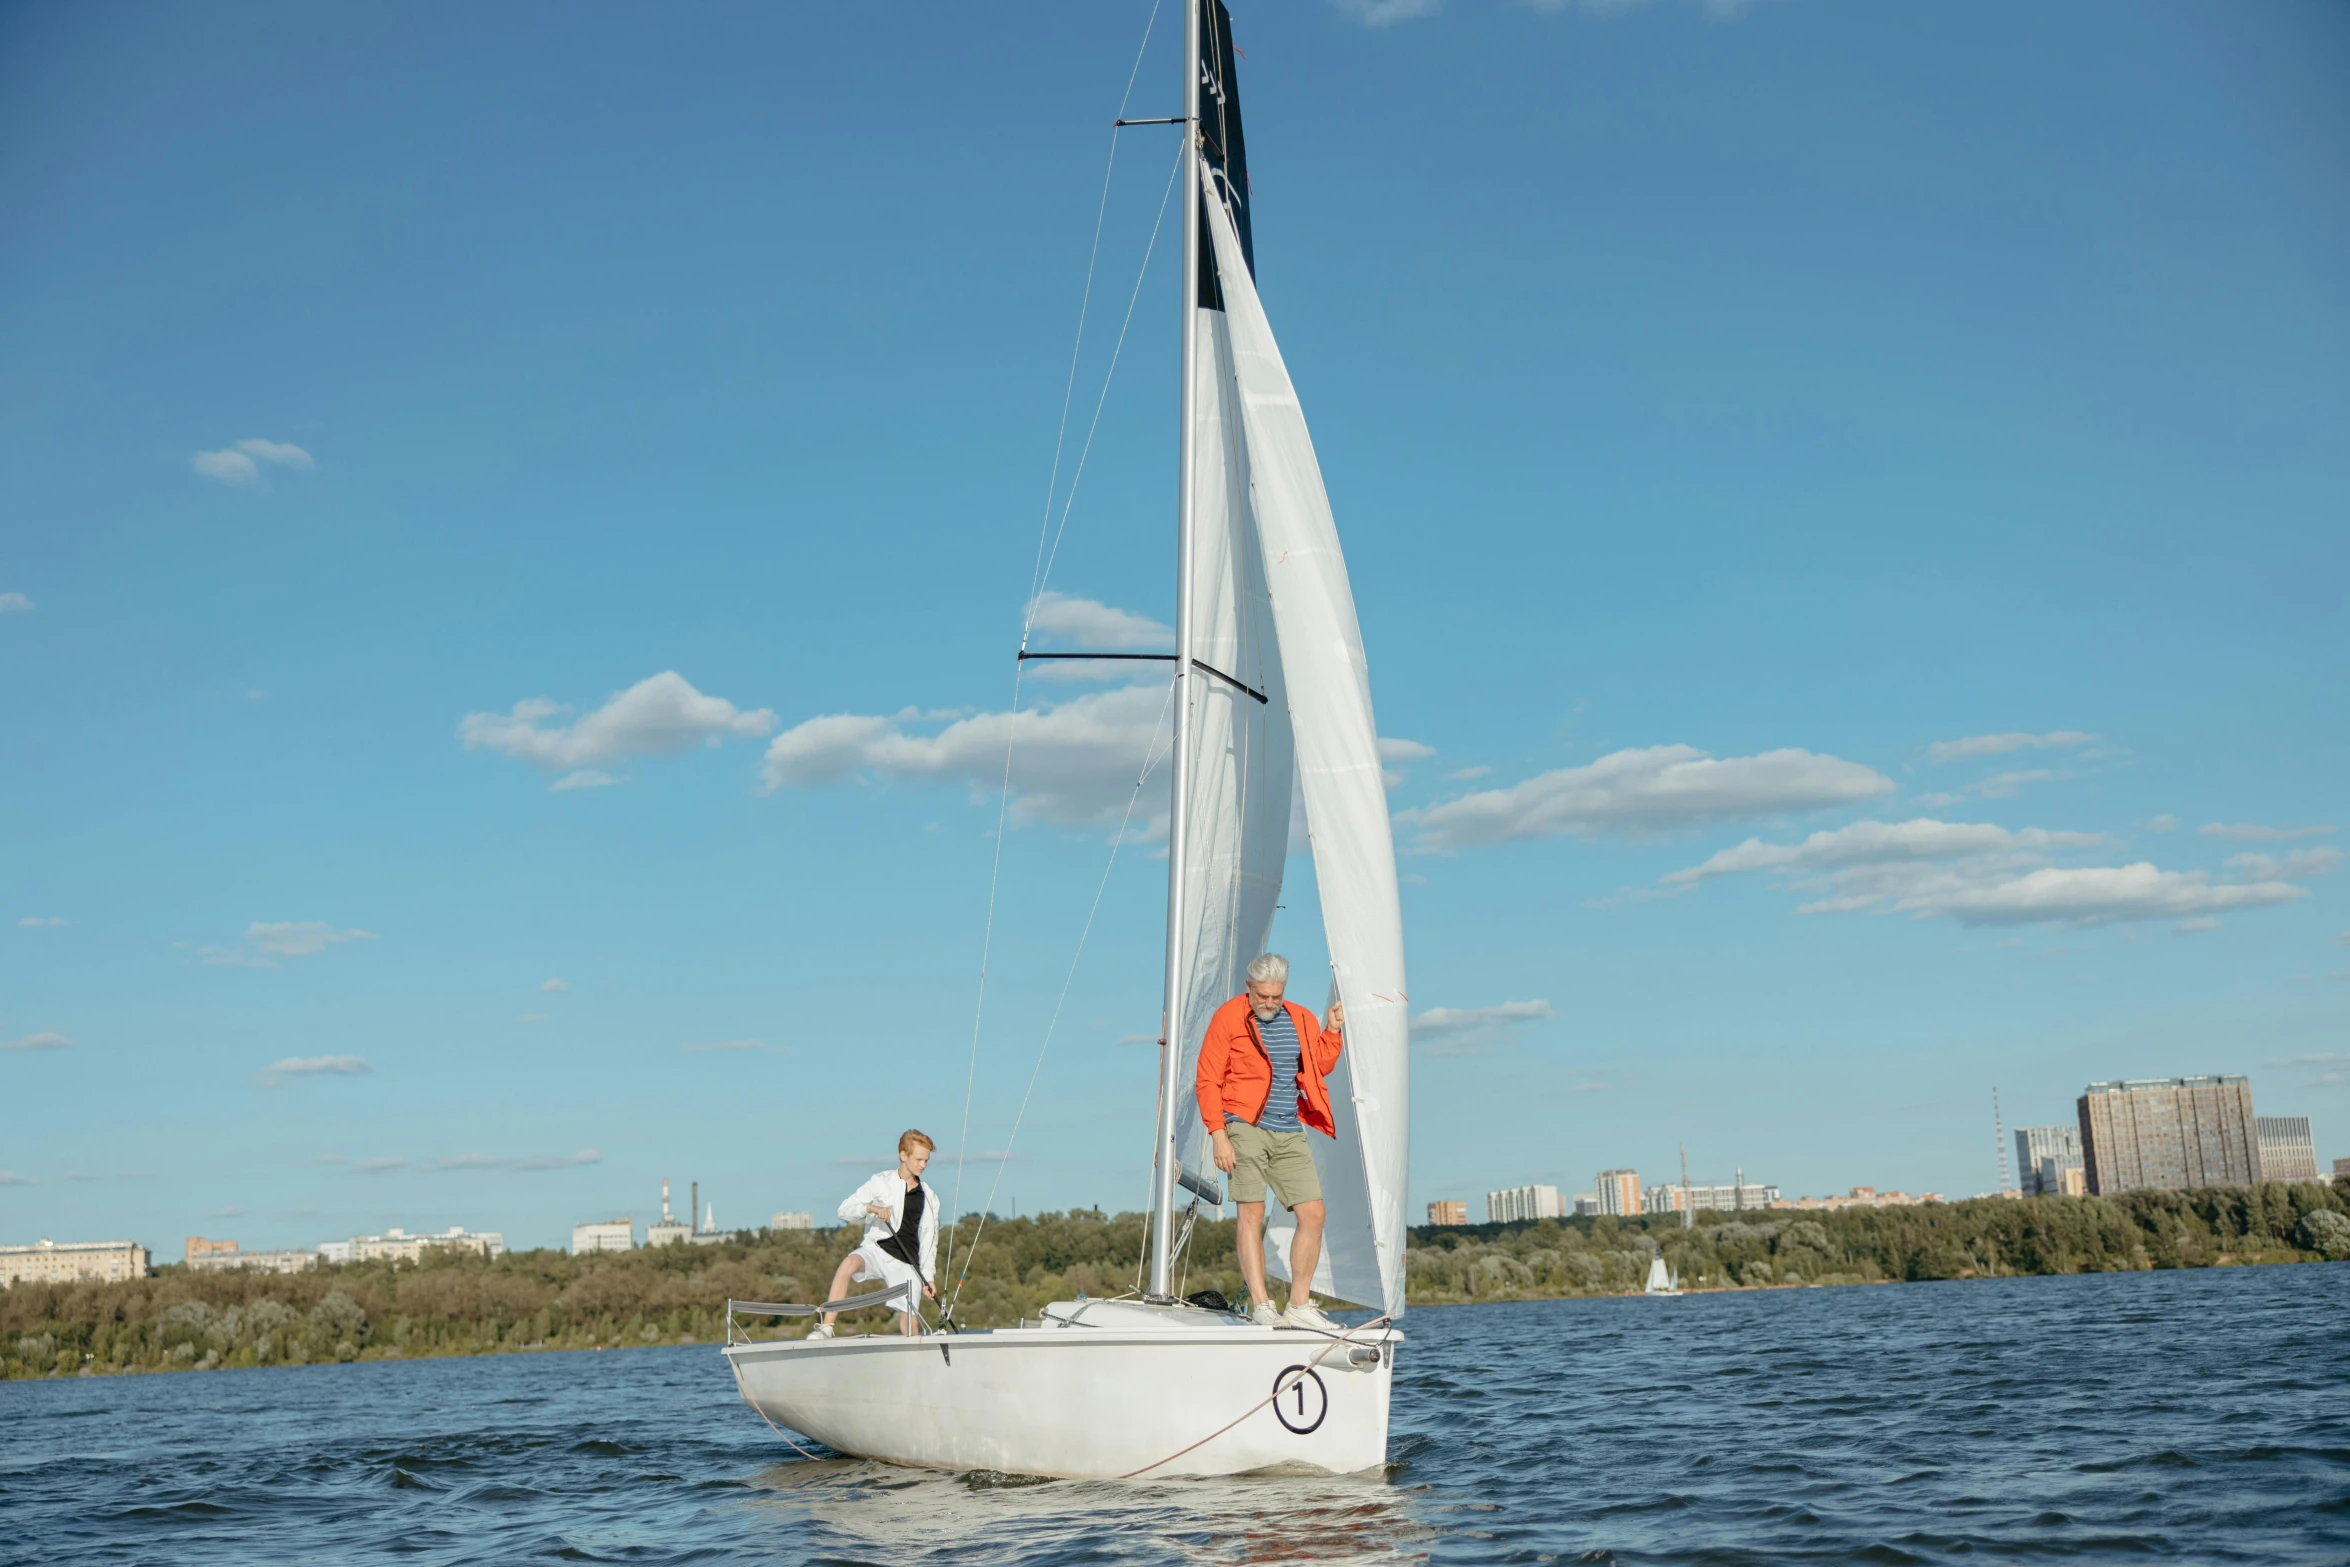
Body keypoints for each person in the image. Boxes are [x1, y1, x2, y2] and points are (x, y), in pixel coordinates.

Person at [1194, 953, 1345, 1331]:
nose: (1269, 1003)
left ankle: (1298, 1305)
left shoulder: (1300, 1018)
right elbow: (1207, 1079)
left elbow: (1318, 1064)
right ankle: (1262, 1305)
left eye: (1276, 996)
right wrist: (1218, 1135)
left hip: (1289, 1128)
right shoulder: (1229, 1017)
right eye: (1262, 996)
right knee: (1252, 1213)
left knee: (1314, 1214)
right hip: (1243, 1125)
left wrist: (1333, 1030)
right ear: (1249, 988)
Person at [811, 1129, 939, 1339]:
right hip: (877, 1249)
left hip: (907, 1262)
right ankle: (826, 1328)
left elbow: (930, 1240)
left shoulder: (930, 1196)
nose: (923, 1165)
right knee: (848, 1264)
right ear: (903, 1155)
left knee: (911, 1325)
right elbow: (844, 1210)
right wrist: (870, 1208)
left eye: (926, 1161)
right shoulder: (880, 1182)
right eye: (918, 1159)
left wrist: (929, 1277)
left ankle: (913, 1358)